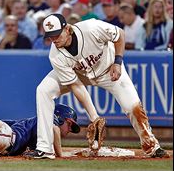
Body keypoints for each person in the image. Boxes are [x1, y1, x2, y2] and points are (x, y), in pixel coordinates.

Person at [25, 13, 169, 159]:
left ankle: (152, 146)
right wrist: (94, 117)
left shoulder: (91, 28)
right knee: (43, 90)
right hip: (79, 74)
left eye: (56, 34)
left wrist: (118, 62)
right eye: (50, 36)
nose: (54, 39)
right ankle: (44, 148)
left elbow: (120, 35)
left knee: (133, 106)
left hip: (109, 69)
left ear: (68, 29)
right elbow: (77, 86)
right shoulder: (55, 55)